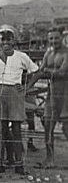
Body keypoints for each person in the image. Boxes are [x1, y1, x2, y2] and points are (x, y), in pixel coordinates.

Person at [0, 24, 38, 175]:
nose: (5, 43)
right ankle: (1, 163)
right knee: (1, 130)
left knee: (17, 130)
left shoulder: (21, 56)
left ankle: (19, 164)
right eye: (2, 40)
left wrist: (26, 87)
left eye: (9, 40)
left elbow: (36, 72)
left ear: (13, 41)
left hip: (15, 93)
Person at [36, 26, 68, 169]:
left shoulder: (66, 53)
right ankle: (50, 159)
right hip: (51, 93)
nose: (53, 41)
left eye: (56, 38)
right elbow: (40, 71)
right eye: (51, 38)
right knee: (48, 126)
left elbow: (61, 73)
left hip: (65, 94)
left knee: (67, 128)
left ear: (61, 38)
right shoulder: (47, 53)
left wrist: (47, 71)